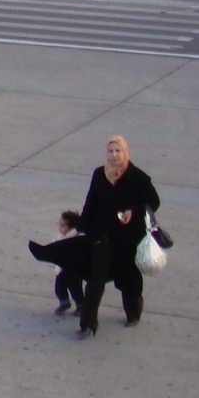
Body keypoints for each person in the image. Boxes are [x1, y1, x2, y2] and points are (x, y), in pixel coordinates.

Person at [76, 135, 160, 337]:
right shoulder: (99, 175)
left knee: (129, 279)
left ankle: (133, 312)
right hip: (102, 237)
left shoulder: (138, 178)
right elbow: (91, 203)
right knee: (95, 281)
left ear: (125, 152)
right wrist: (81, 227)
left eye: (118, 151)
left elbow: (153, 202)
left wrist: (134, 210)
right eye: (110, 151)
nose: (114, 155)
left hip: (128, 239)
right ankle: (88, 324)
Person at [28, 211, 86, 316]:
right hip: (61, 269)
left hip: (73, 271)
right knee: (59, 287)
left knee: (75, 289)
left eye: (63, 226)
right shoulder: (60, 237)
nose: (60, 227)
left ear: (72, 228)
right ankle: (64, 302)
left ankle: (81, 306)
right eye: (59, 225)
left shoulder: (75, 239)